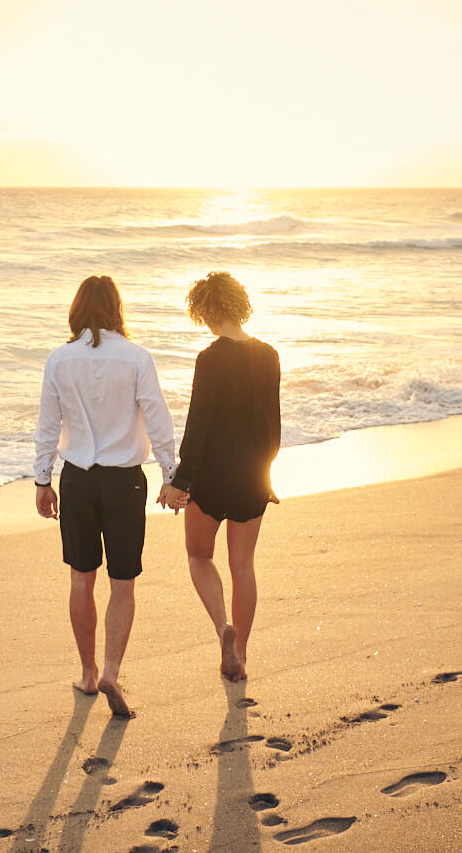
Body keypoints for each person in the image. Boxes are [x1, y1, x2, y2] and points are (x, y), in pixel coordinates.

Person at [34, 275, 177, 718]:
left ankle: (89, 672)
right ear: (117, 309)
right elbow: (158, 419)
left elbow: (47, 425)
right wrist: (172, 475)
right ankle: (113, 668)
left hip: (77, 480)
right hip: (124, 481)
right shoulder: (136, 358)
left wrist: (43, 479)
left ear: (77, 310)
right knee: (122, 582)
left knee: (81, 578)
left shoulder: (59, 361)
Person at [159, 272, 280, 683]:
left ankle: (221, 628)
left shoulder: (209, 359)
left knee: (198, 556)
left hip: (211, 478)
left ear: (206, 310)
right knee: (243, 565)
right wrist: (265, 473)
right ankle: (241, 654)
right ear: (239, 304)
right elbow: (272, 426)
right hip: (251, 476)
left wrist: (181, 480)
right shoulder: (269, 355)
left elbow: (199, 427)